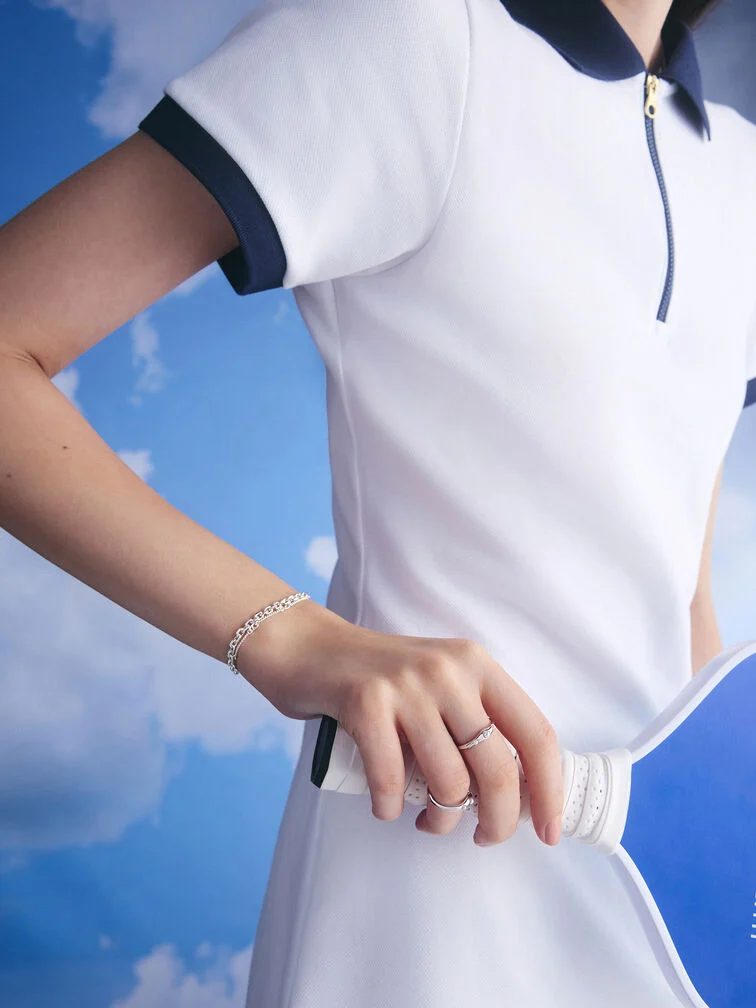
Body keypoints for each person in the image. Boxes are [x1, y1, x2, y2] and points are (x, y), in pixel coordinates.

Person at [0, 0, 753, 1004]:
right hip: (423, 889)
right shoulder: (410, 36)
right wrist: (289, 638)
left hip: (664, 928)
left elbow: (679, 581)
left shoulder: (745, 173)